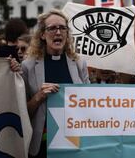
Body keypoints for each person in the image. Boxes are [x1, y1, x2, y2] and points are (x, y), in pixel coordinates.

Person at [21, 9, 90, 158]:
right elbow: (21, 111)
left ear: (67, 33)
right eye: (52, 28)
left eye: (62, 28)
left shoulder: (79, 64)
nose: (58, 32)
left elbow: (88, 104)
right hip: (42, 146)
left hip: (73, 142)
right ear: (42, 35)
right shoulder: (28, 66)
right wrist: (39, 96)